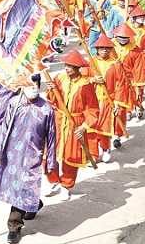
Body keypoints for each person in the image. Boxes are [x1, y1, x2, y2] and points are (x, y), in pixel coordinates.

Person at [0, 85, 57, 244]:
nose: (32, 88)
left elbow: (52, 137)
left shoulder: (46, 110)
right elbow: (4, 129)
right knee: (17, 187)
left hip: (32, 156)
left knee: (23, 186)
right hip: (13, 152)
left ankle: (14, 225)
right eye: (29, 84)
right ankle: (34, 202)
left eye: (35, 85)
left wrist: (50, 161)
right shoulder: (14, 103)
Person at [44, 50, 99, 201]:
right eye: (66, 65)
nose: (66, 68)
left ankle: (66, 186)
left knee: (70, 158)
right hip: (58, 120)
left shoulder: (85, 85)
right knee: (48, 155)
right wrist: (50, 89)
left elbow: (93, 108)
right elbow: (51, 100)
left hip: (75, 123)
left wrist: (83, 127)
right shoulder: (59, 78)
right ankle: (54, 180)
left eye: (70, 66)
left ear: (77, 68)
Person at [89, 34, 132, 162]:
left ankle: (105, 148)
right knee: (91, 127)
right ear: (97, 49)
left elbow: (121, 85)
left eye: (107, 48)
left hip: (108, 100)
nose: (104, 50)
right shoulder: (91, 63)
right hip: (92, 101)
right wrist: (93, 79)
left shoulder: (115, 65)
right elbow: (82, 79)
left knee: (104, 127)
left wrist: (118, 103)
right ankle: (93, 153)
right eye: (101, 47)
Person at [112, 22, 145, 122]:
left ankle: (134, 108)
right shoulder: (110, 46)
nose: (122, 38)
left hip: (130, 76)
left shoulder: (136, 50)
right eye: (120, 36)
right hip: (114, 76)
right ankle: (124, 111)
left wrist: (137, 85)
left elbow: (139, 69)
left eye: (125, 37)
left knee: (134, 94)